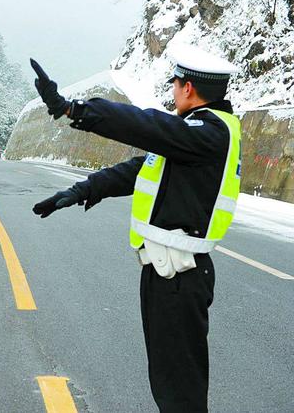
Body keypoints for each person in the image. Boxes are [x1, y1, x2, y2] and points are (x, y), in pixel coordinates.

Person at [30, 44, 241, 412]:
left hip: (179, 276)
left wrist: (72, 109)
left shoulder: (208, 134)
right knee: (168, 379)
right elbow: (140, 169)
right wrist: (81, 190)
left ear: (188, 88)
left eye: (175, 83)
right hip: (167, 275)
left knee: (180, 389)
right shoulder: (194, 136)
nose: (173, 91)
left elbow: (145, 124)